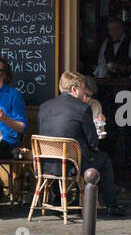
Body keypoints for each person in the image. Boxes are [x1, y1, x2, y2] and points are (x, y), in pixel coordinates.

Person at [37, 71, 125, 216]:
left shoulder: (44, 106)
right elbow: (93, 142)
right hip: (72, 165)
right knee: (104, 159)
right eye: (83, 89)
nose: (84, 93)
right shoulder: (83, 108)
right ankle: (111, 205)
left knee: (81, 155)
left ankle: (57, 199)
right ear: (74, 89)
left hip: (46, 164)